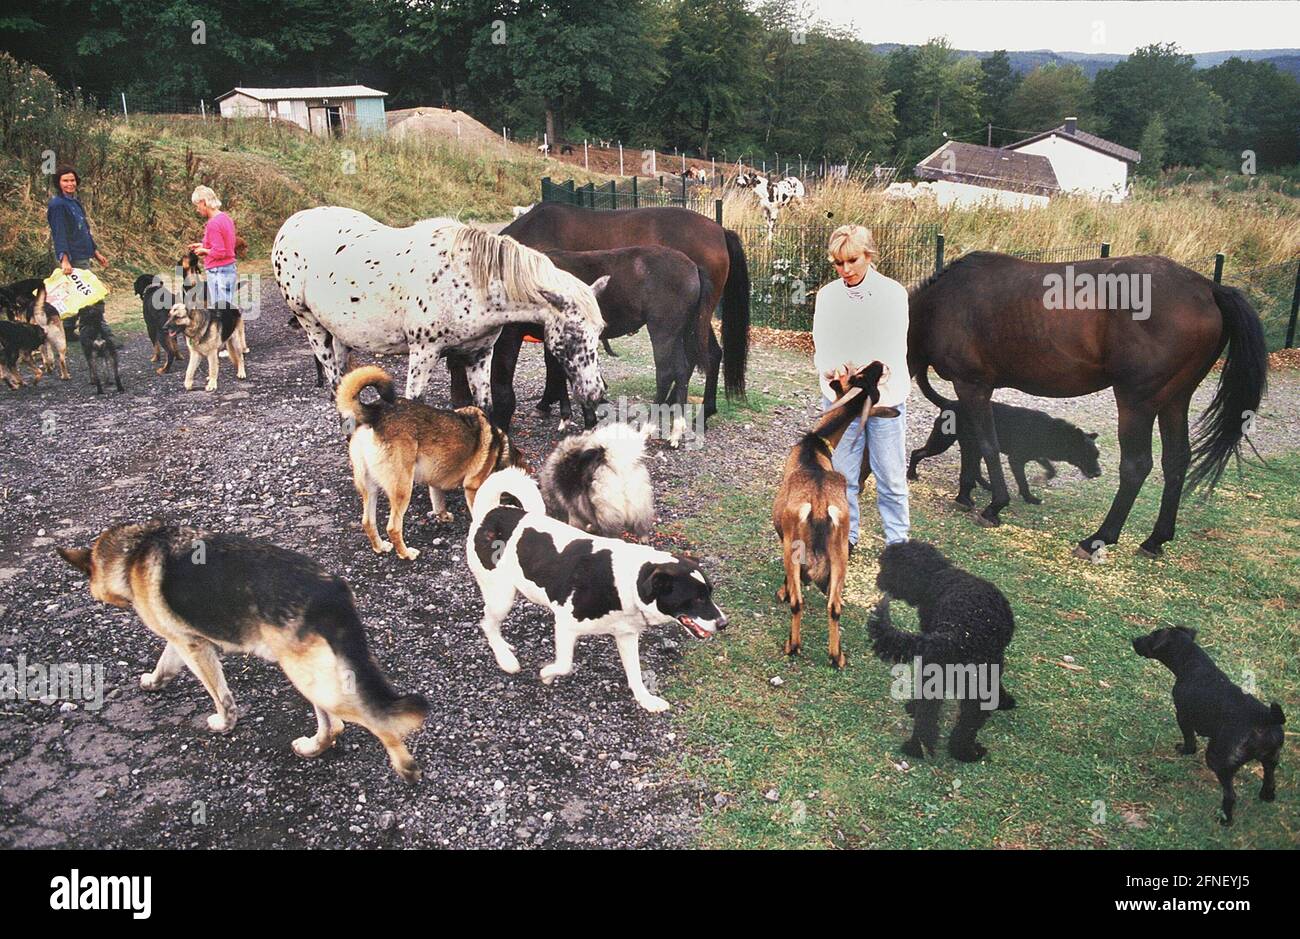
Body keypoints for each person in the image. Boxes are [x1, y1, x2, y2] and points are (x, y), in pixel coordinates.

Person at [811, 224, 911, 550]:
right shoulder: (827, 296)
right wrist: (834, 369)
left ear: (869, 255)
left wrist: (869, 372)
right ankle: (846, 538)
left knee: (891, 478)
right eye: (838, 263)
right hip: (840, 400)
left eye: (853, 260)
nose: (845, 270)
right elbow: (822, 345)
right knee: (842, 477)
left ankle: (898, 544)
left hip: (884, 398)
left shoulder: (893, 293)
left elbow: (894, 346)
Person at [47, 164, 109, 277]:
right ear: (58, 183)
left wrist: (96, 253)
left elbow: (84, 230)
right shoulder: (58, 205)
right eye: (65, 181)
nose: (70, 184)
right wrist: (64, 260)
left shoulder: (75, 203)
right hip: (72, 259)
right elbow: (59, 233)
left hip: (83, 256)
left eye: (72, 180)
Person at [188, 185, 238, 308]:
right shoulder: (225, 218)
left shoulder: (213, 224)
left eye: (197, 205)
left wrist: (204, 251)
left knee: (220, 312)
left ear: (203, 202)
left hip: (218, 271)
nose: (197, 209)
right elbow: (225, 244)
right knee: (227, 309)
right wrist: (202, 245)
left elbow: (219, 252)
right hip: (228, 268)